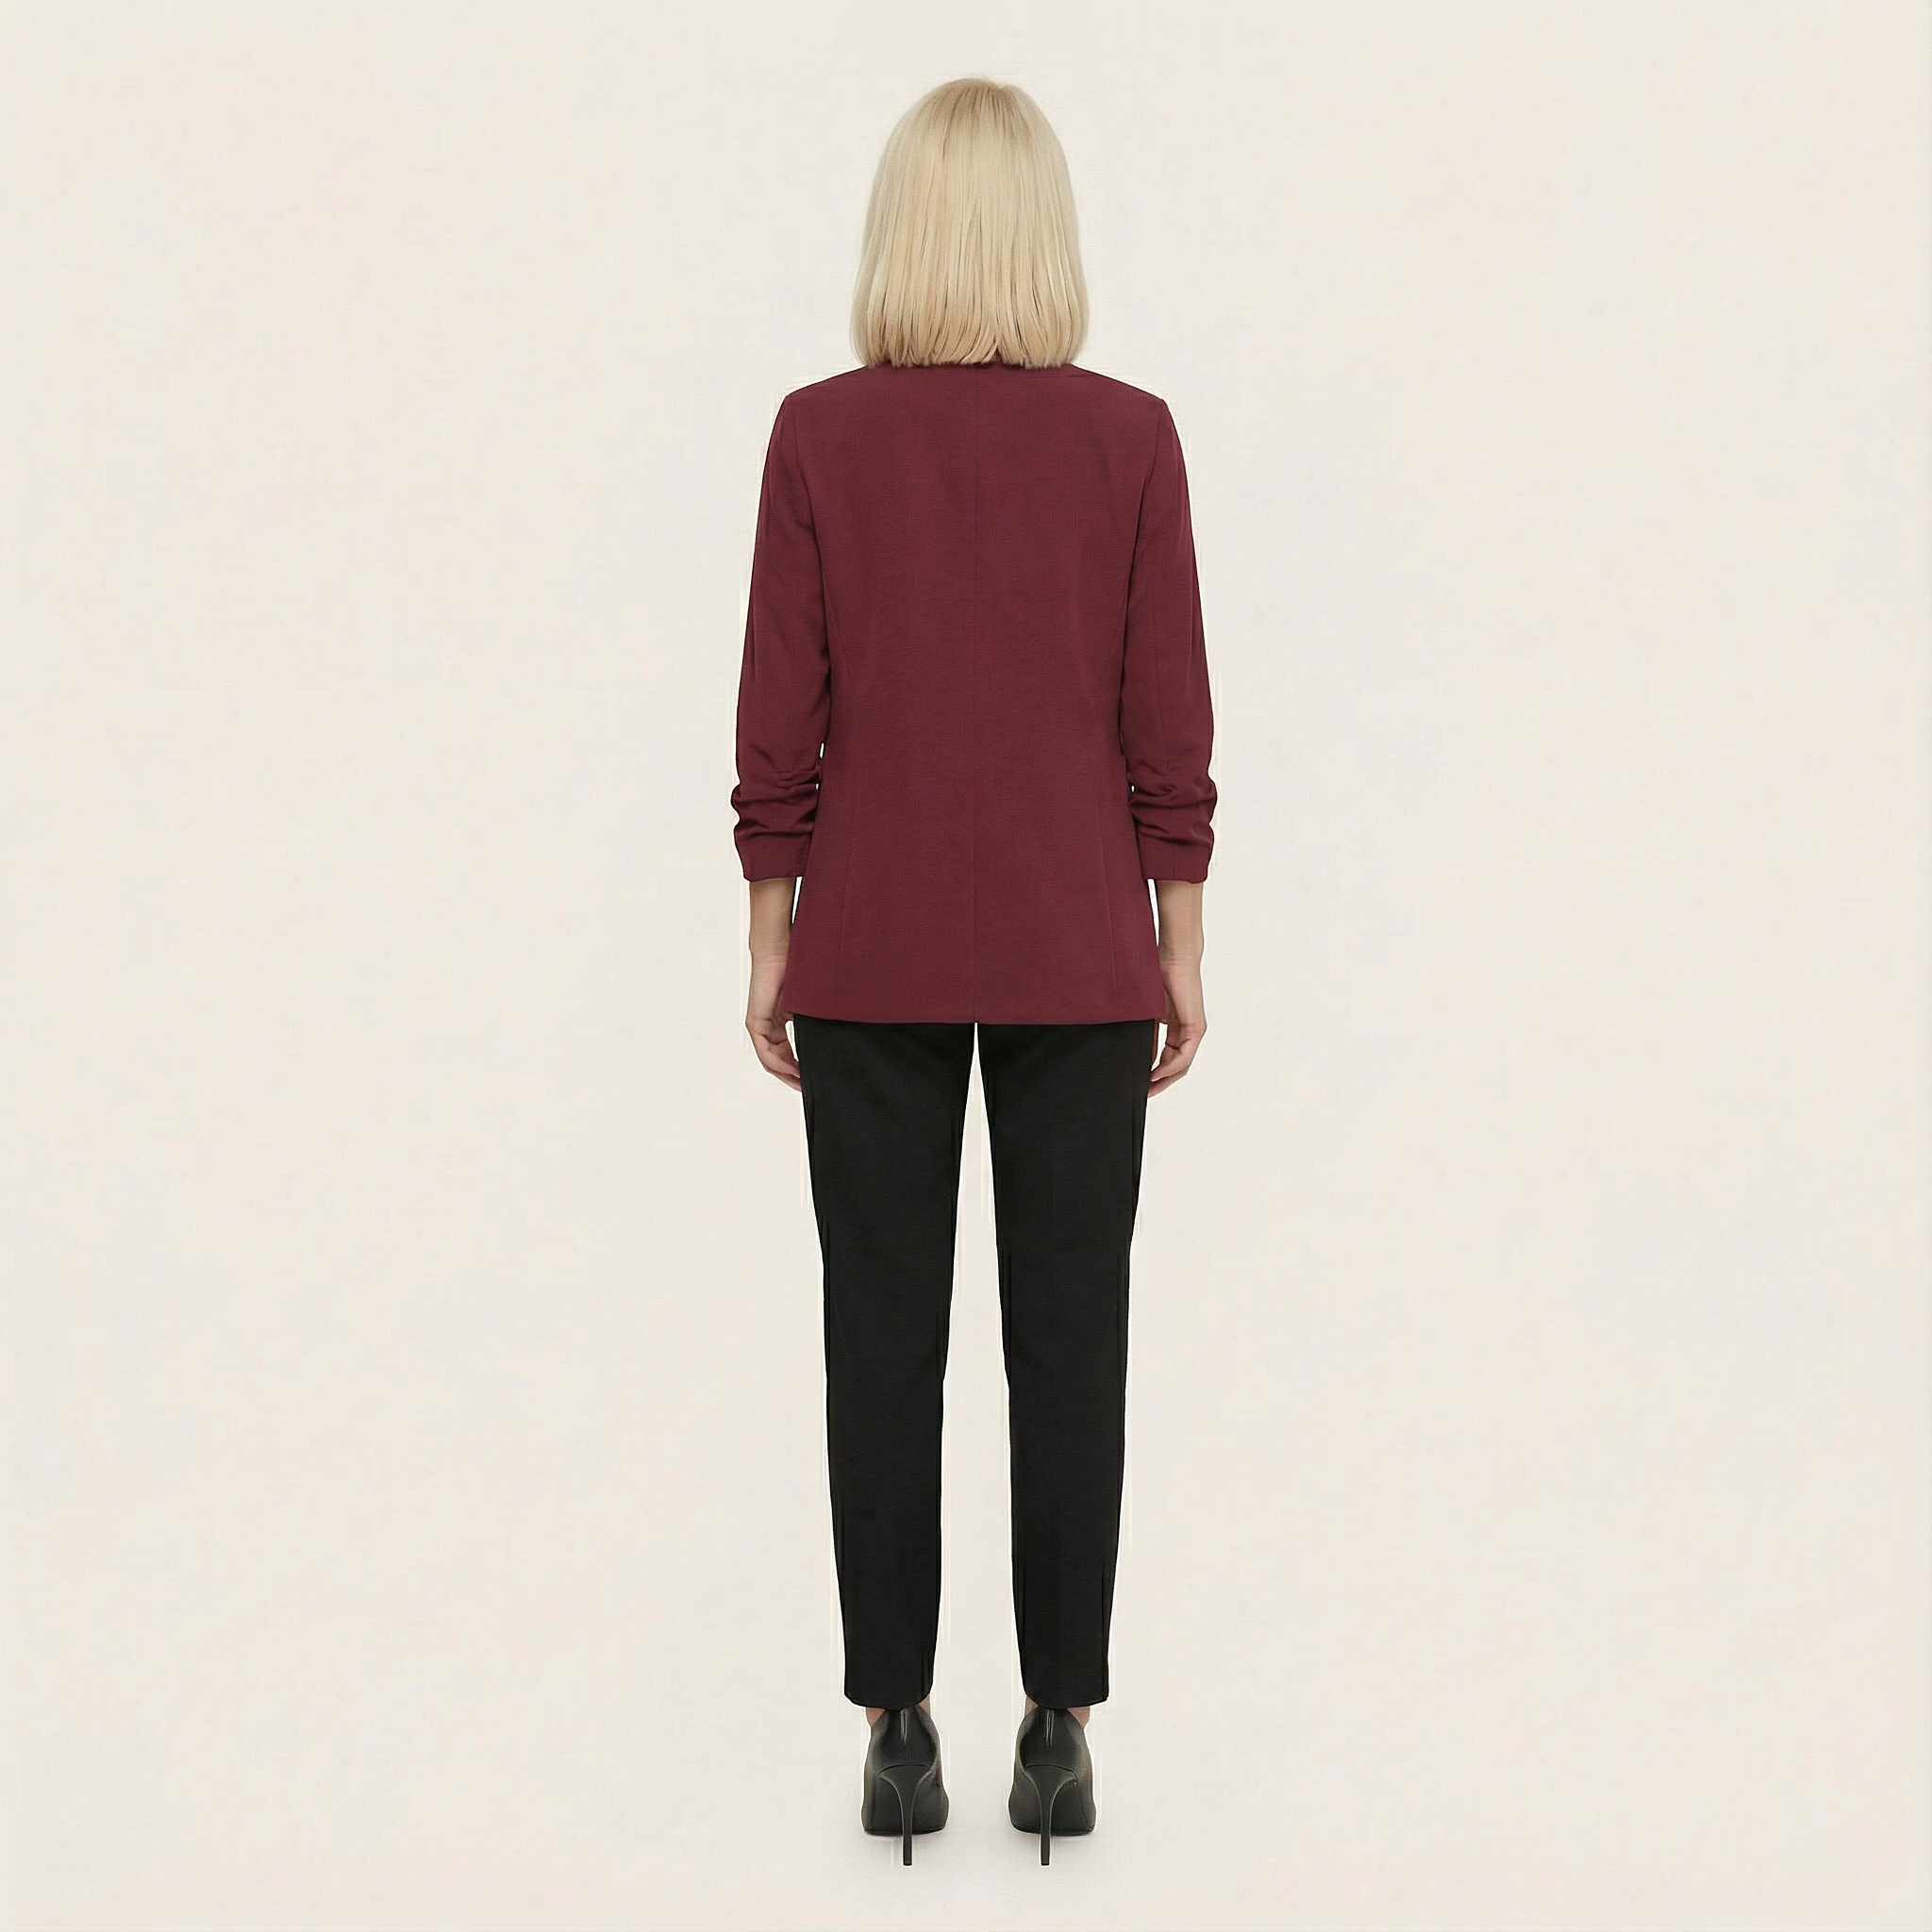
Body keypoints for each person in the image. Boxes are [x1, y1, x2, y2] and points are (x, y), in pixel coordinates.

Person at [729, 75, 1216, 1867]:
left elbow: (781, 705)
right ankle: (1061, 1725)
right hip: (1083, 950)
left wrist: (771, 925)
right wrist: (1178, 936)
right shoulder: (1131, 439)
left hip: (868, 943)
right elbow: (1165, 708)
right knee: (1071, 1338)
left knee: (880, 1336)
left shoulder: (817, 436)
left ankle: (895, 1727)